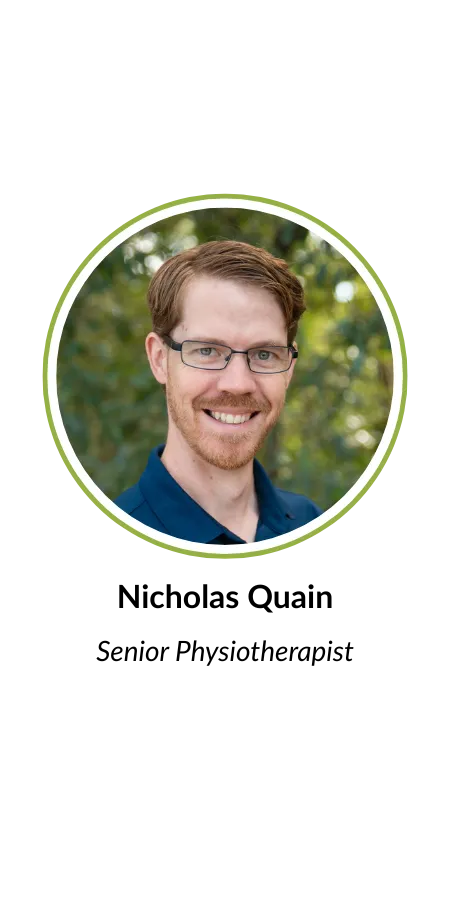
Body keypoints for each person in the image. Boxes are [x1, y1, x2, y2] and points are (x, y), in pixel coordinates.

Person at [114, 240, 322, 544]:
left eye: (264, 354)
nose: (238, 383)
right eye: (207, 350)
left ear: (288, 368)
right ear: (159, 360)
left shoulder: (311, 522)